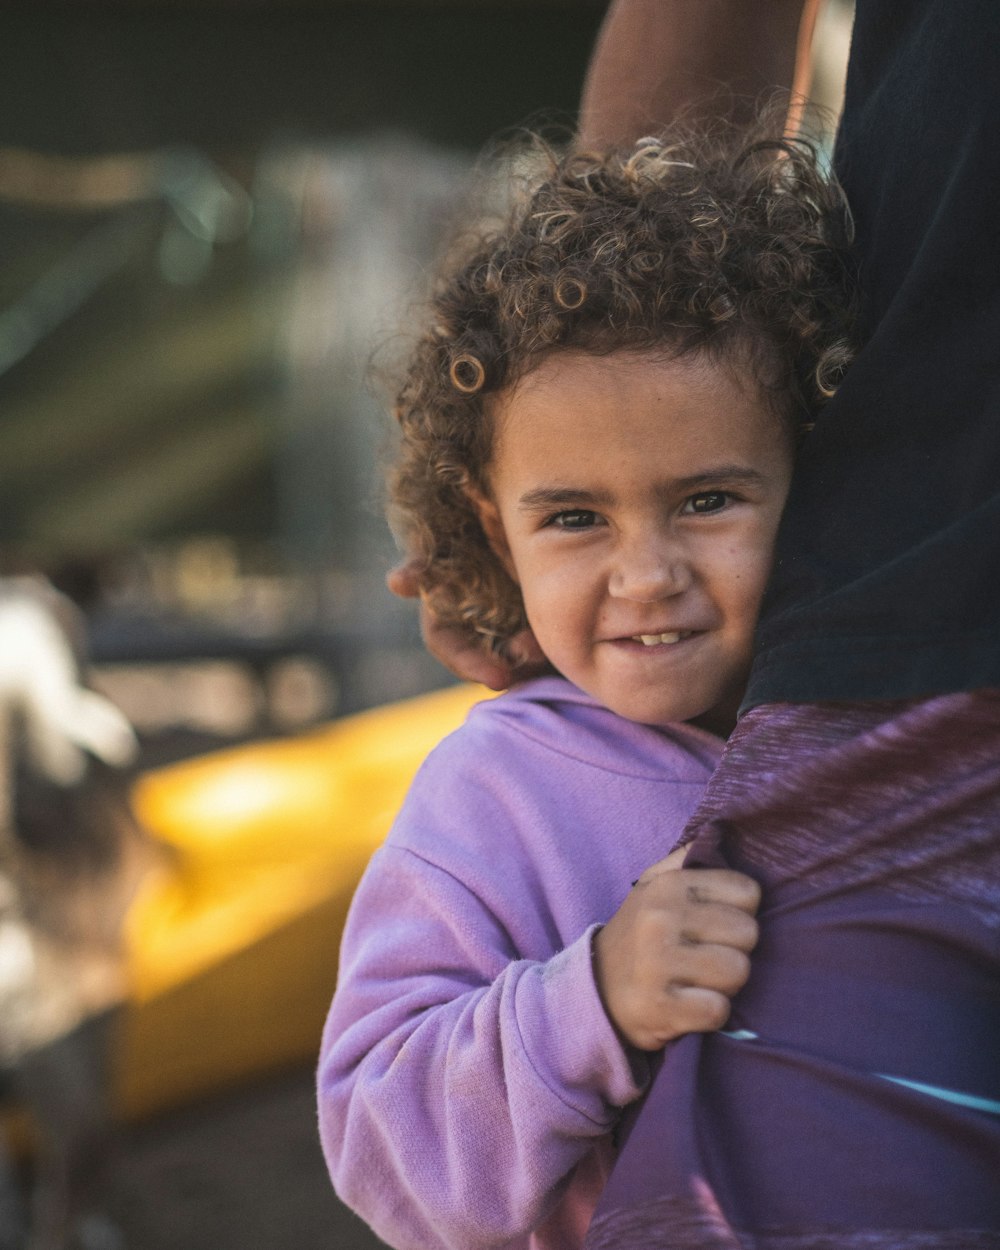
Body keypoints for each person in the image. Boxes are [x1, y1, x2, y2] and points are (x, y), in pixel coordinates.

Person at [317, 124, 857, 1250]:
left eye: (707, 499)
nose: (645, 575)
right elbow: (377, 1140)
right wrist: (592, 1000)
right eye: (573, 517)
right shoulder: (493, 793)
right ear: (491, 529)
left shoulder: (886, 721)